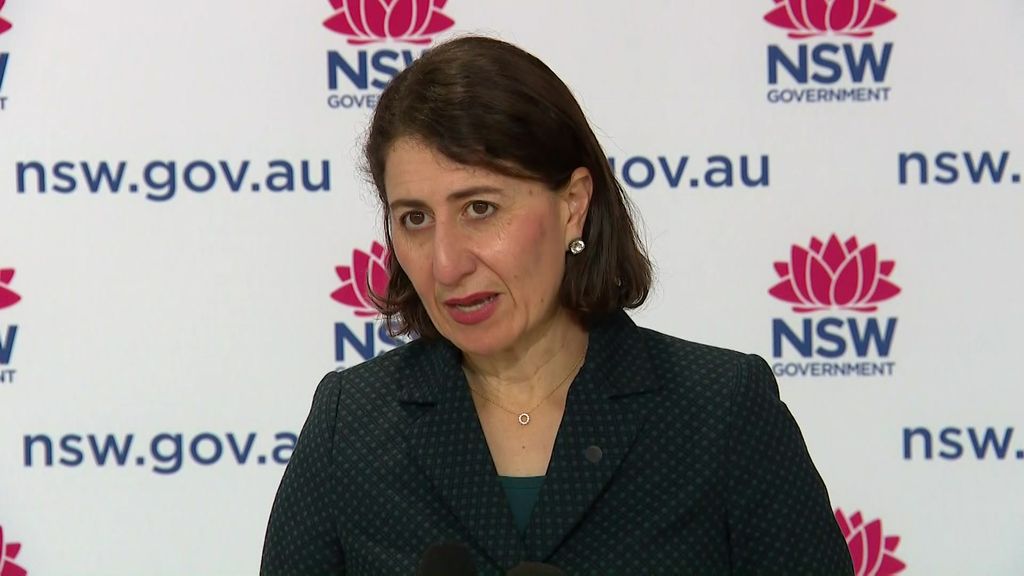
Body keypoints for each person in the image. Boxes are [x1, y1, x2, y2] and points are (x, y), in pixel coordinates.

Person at [260, 36, 854, 575]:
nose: (446, 264)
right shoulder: (351, 426)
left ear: (573, 205)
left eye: (480, 209)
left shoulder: (720, 411)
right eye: (415, 219)